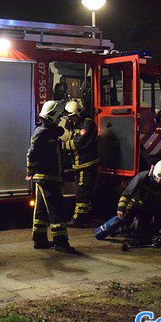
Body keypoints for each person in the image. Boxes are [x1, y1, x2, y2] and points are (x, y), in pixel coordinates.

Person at [26, 100, 77, 253]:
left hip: (47, 177)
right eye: (59, 117)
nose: (60, 119)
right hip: (47, 177)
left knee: (41, 210)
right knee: (56, 208)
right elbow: (32, 153)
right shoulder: (43, 132)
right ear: (52, 116)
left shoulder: (48, 132)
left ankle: (40, 239)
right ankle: (60, 242)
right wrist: (30, 170)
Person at [94, 159, 161, 242]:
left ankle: (134, 228)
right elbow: (127, 194)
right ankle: (117, 228)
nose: (159, 181)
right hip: (135, 205)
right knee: (119, 221)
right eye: (157, 177)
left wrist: (159, 219)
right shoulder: (142, 177)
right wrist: (121, 208)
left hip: (149, 209)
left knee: (145, 233)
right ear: (152, 170)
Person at [62, 100, 100, 227]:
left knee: (82, 191)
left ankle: (79, 219)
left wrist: (64, 146)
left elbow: (79, 142)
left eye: (72, 116)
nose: (71, 119)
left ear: (78, 113)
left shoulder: (87, 124)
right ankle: (87, 217)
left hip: (86, 164)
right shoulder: (75, 124)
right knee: (83, 190)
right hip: (79, 164)